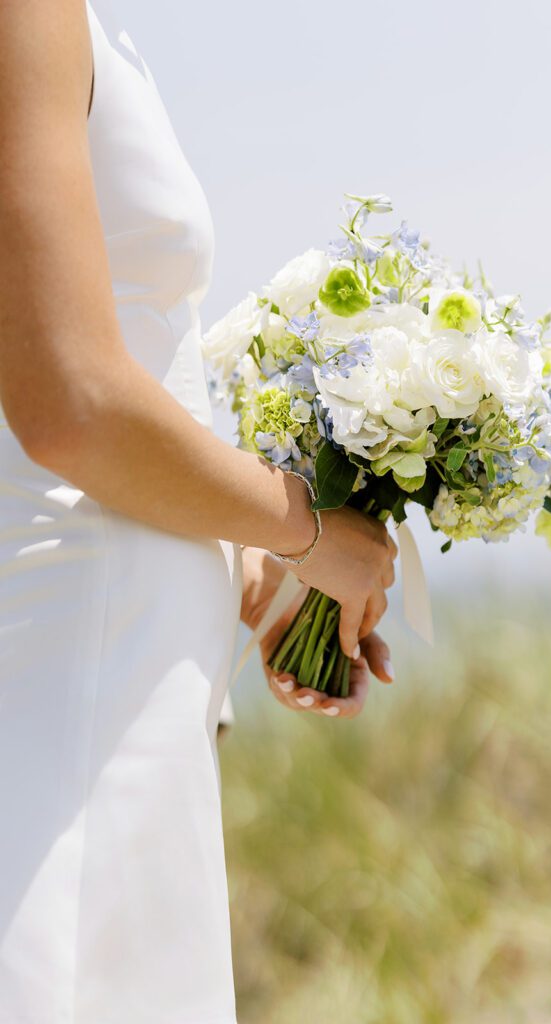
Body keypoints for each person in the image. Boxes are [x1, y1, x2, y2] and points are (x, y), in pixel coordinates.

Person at [0, 2, 396, 1021]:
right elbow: (70, 405)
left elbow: (136, 367)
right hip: (71, 661)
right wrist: (303, 527)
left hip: (128, 657)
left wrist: (262, 576)